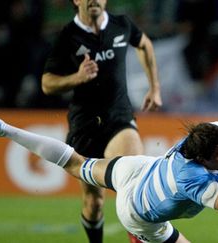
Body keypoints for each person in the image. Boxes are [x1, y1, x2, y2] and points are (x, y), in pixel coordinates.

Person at [0, 109, 218, 243]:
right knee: (74, 167)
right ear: (202, 160)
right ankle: (138, 238)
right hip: (138, 213)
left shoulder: (212, 134)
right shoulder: (191, 178)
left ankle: (2, 127)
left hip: (137, 169)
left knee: (76, 163)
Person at [41, 0, 162, 242]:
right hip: (84, 125)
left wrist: (154, 88)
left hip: (119, 118)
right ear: (77, 1)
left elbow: (145, 45)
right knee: (94, 202)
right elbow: (47, 83)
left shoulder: (122, 24)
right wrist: (77, 77)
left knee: (134, 187)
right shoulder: (67, 36)